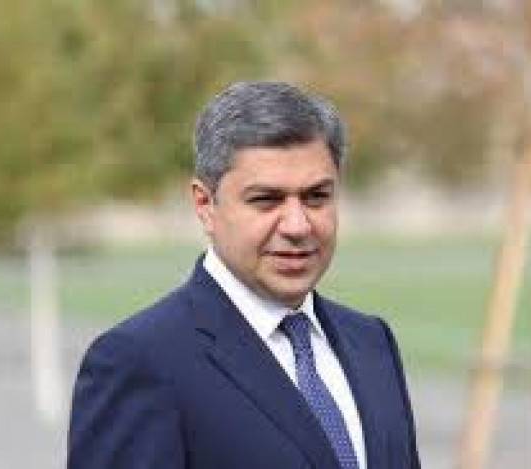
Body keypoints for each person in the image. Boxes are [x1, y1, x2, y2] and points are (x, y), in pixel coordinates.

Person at [67, 81, 421, 469]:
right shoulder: (141, 362)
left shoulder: (372, 342)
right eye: (266, 200)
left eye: (316, 197)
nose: (297, 225)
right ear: (205, 205)